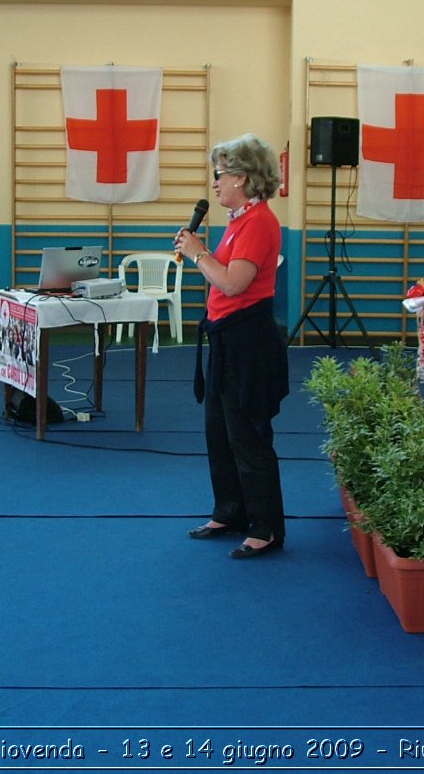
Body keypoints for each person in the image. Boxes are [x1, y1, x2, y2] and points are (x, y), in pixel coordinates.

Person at [175, 134, 289, 560]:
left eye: (220, 175)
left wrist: (197, 253)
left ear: (242, 177)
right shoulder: (239, 219)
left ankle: (266, 527)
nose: (216, 184)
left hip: (249, 342)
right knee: (220, 433)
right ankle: (230, 510)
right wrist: (202, 252)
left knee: (248, 436)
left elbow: (233, 283)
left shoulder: (259, 222)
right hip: (226, 337)